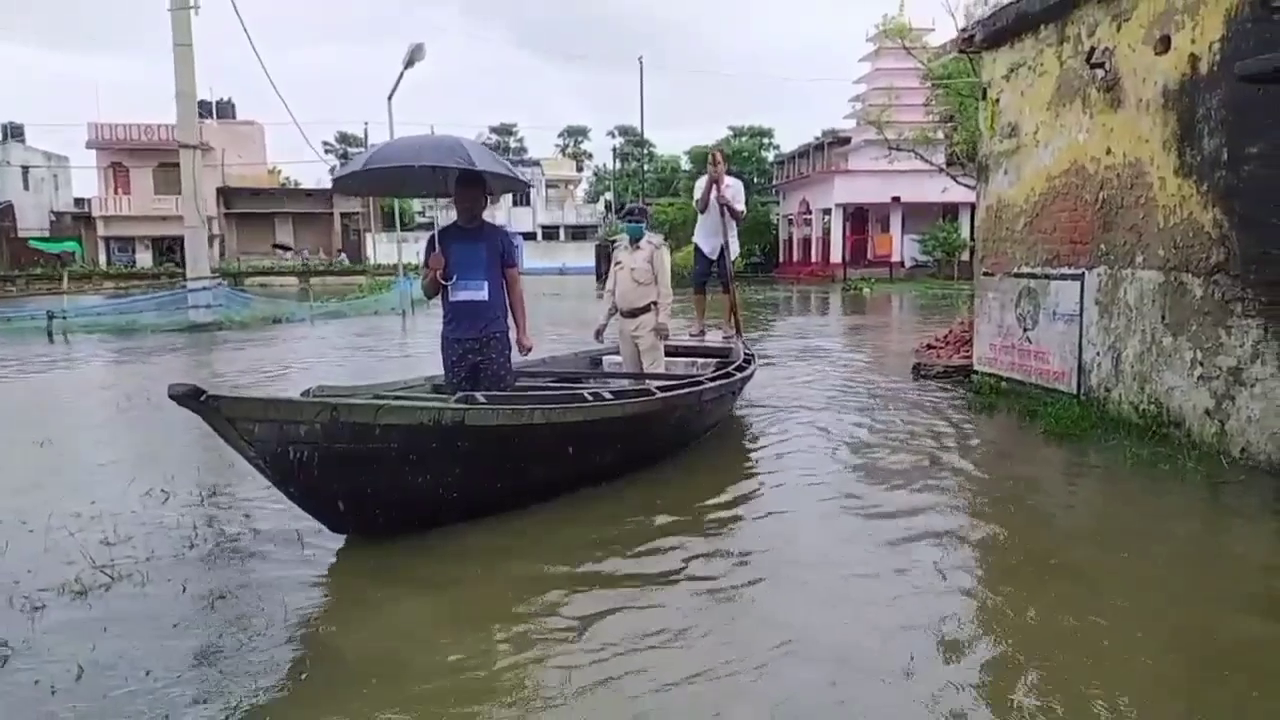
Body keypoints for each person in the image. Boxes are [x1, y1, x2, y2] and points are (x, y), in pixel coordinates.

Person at [421, 169, 533, 393]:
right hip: (455, 338)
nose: (468, 205)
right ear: (455, 201)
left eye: (474, 199)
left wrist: (522, 332)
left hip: (493, 336)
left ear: (484, 202)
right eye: (463, 199)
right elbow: (427, 291)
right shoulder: (439, 240)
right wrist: (434, 271)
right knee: (460, 402)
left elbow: (514, 286)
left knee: (498, 400)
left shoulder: (500, 238)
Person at [594, 204, 672, 373]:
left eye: (638, 222)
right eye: (630, 221)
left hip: (647, 320)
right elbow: (611, 290)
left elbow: (664, 288)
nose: (633, 225)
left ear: (645, 224)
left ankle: (660, 400)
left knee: (655, 375)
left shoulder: (655, 249)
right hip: (624, 322)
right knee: (631, 375)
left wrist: (663, 321)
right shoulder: (619, 250)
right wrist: (603, 322)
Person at [689, 147, 746, 337]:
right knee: (699, 280)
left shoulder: (736, 186)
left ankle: (727, 325)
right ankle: (699, 323)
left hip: (727, 242)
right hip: (704, 240)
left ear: (725, 166)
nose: (714, 168)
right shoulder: (700, 184)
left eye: (718, 164)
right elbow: (701, 207)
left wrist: (727, 204)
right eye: (710, 164)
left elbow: (739, 217)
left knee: (727, 282)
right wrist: (710, 185)